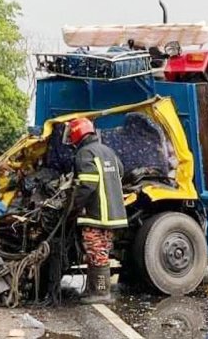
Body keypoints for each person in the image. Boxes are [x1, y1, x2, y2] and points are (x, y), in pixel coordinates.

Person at [66, 117, 127, 304]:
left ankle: (100, 293)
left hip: (95, 213)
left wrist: (73, 206)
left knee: (96, 250)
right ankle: (94, 290)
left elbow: (88, 184)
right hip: (113, 212)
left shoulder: (84, 153)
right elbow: (121, 172)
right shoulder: (108, 151)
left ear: (76, 134)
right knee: (102, 249)